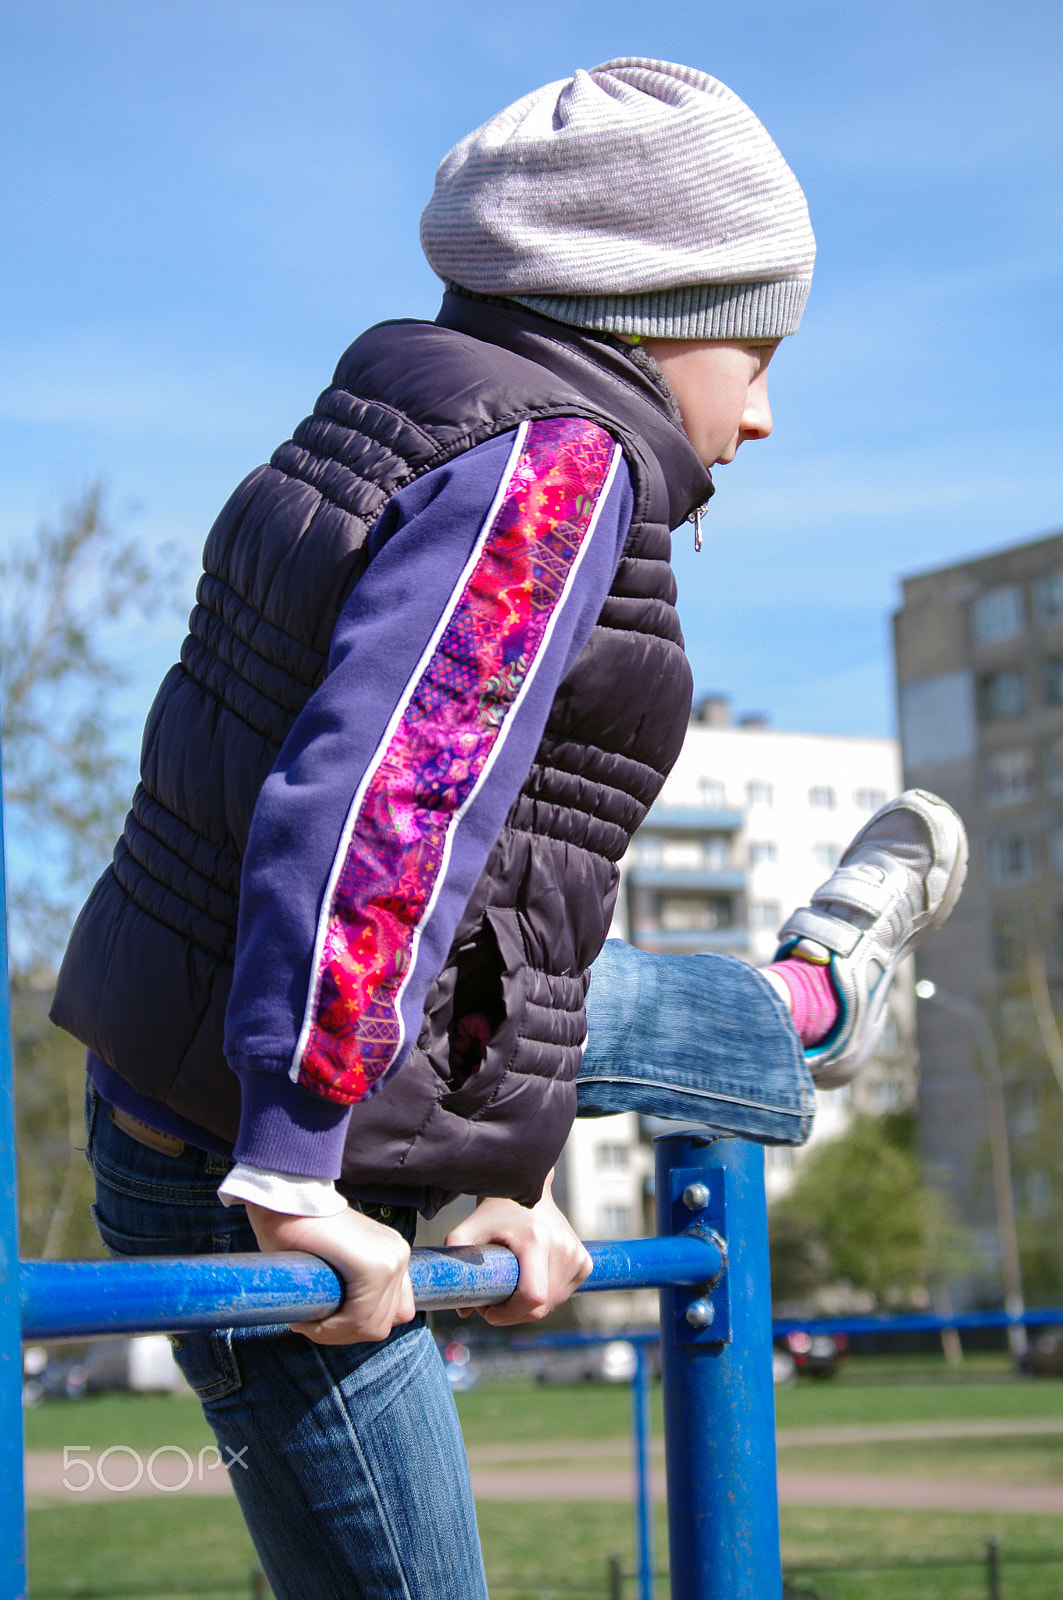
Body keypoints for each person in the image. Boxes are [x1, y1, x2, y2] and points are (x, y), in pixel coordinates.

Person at [52, 59, 966, 1600]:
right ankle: (807, 1015)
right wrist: (288, 1173)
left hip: (297, 1044)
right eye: (756, 349)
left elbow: (520, 876)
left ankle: (811, 999)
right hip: (256, 1129)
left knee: (590, 991)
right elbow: (382, 812)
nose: (764, 411)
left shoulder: (422, 402)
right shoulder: (547, 474)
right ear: (661, 317)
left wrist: (516, 1165)